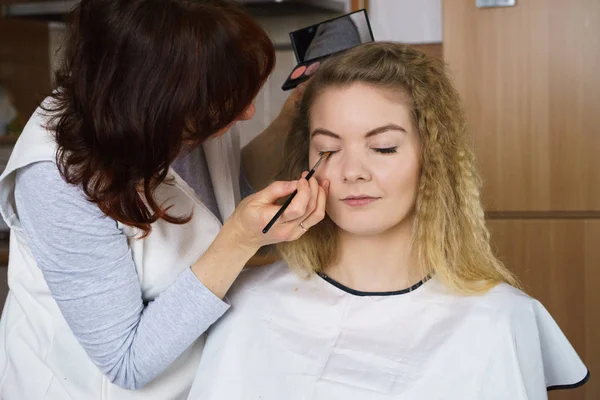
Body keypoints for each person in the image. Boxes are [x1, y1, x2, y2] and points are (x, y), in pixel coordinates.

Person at [187, 42, 589, 399]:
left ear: (433, 158)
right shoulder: (249, 304)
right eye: (327, 150)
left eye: (383, 147)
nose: (352, 171)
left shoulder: (499, 318)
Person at [0, 0, 327, 399]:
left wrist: (296, 114)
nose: (247, 112)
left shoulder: (189, 112)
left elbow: (221, 190)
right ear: (157, 105)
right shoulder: (57, 178)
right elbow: (128, 361)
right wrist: (239, 240)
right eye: (228, 103)